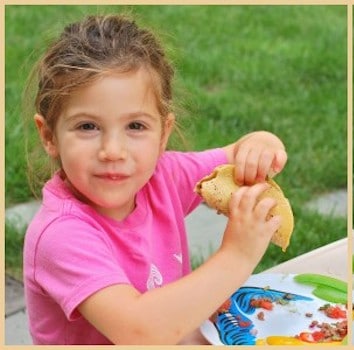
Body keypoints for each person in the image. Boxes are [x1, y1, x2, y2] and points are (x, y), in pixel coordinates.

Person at [22, 14, 288, 344]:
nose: (113, 151)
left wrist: (261, 143)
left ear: (163, 135)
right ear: (49, 136)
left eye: (135, 126)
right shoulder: (61, 236)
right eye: (88, 126)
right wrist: (238, 255)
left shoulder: (163, 177)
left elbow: (239, 154)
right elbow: (139, 332)